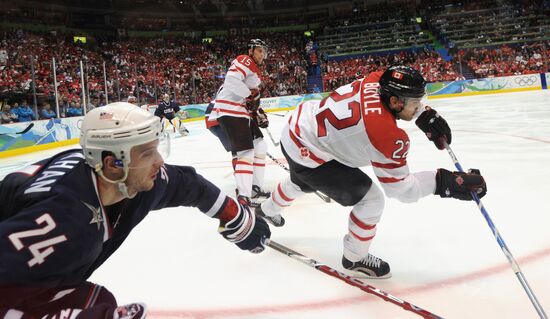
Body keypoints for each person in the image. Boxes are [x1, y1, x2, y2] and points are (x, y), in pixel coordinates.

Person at [0, 102, 271, 318]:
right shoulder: (63, 221)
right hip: (24, 279)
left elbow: (188, 185)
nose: (159, 161)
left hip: (40, 275)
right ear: (112, 164)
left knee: (96, 301)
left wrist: (235, 217)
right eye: (146, 153)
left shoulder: (125, 181)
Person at [255, 65, 487, 278]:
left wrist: (423, 114)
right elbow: (403, 191)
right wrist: (444, 181)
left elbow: (388, 102)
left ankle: (266, 209)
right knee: (371, 200)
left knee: (301, 180)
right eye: (415, 103)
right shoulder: (386, 136)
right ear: (395, 101)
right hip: (309, 150)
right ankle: (355, 258)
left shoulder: (377, 79)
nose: (419, 105)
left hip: (298, 127)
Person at [207, 39, 271, 207]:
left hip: (240, 112)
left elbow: (250, 100)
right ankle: (244, 196)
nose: (262, 54)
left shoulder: (255, 71)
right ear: (250, 50)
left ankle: (255, 187)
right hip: (230, 110)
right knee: (245, 153)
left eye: (263, 51)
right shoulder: (245, 59)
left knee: (260, 145)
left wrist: (258, 113)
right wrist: (250, 97)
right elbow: (231, 81)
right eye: (259, 50)